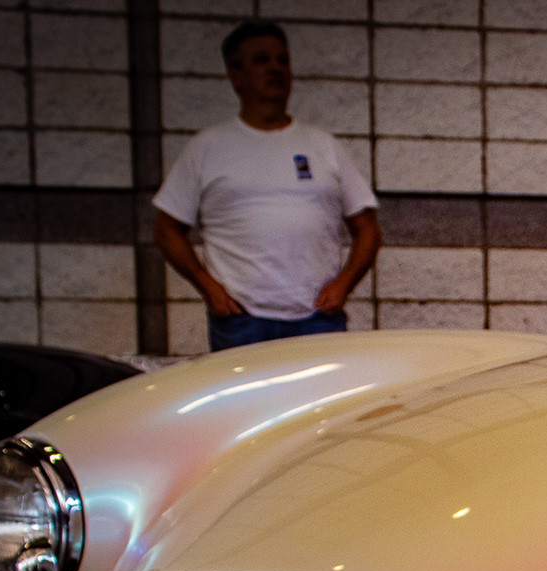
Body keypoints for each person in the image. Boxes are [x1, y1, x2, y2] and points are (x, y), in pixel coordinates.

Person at [153, 21, 381, 351]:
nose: (275, 68)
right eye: (261, 60)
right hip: (240, 320)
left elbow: (368, 229)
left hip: (317, 318)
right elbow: (166, 230)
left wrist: (344, 284)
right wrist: (208, 288)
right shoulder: (208, 147)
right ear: (235, 75)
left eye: (282, 60)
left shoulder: (323, 146)